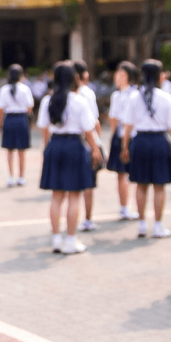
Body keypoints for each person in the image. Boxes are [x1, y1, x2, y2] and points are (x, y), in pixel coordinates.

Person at [37, 63, 103, 255]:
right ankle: (71, 240)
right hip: (74, 145)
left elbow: (43, 127)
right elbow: (88, 130)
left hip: (54, 145)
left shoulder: (47, 101)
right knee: (74, 195)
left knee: (57, 196)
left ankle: (56, 239)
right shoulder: (79, 100)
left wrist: (47, 147)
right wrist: (95, 150)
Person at [122, 59, 171, 239]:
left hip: (139, 141)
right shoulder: (166, 98)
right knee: (159, 185)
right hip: (159, 142)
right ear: (159, 76)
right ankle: (157, 225)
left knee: (141, 185)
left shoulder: (134, 96)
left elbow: (128, 125)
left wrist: (125, 146)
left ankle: (141, 224)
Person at [106, 62, 140, 221]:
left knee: (135, 174)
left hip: (134, 136)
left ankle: (132, 207)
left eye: (122, 75)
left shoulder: (135, 94)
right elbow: (113, 118)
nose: (118, 78)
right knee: (121, 174)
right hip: (121, 137)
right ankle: (124, 207)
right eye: (117, 74)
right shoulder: (117, 95)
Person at [73, 62, 104, 230]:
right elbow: (93, 122)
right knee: (88, 184)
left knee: (69, 188)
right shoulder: (86, 94)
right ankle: (87, 219)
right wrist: (97, 144)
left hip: (67, 143)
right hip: (87, 141)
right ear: (82, 75)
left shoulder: (57, 95)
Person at [0, 64, 35, 187]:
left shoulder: (3, 89)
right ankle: (21, 176)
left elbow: (0, 110)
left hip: (9, 119)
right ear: (21, 76)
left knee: (9, 150)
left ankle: (11, 176)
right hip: (21, 119)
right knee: (21, 150)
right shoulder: (25, 89)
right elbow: (30, 108)